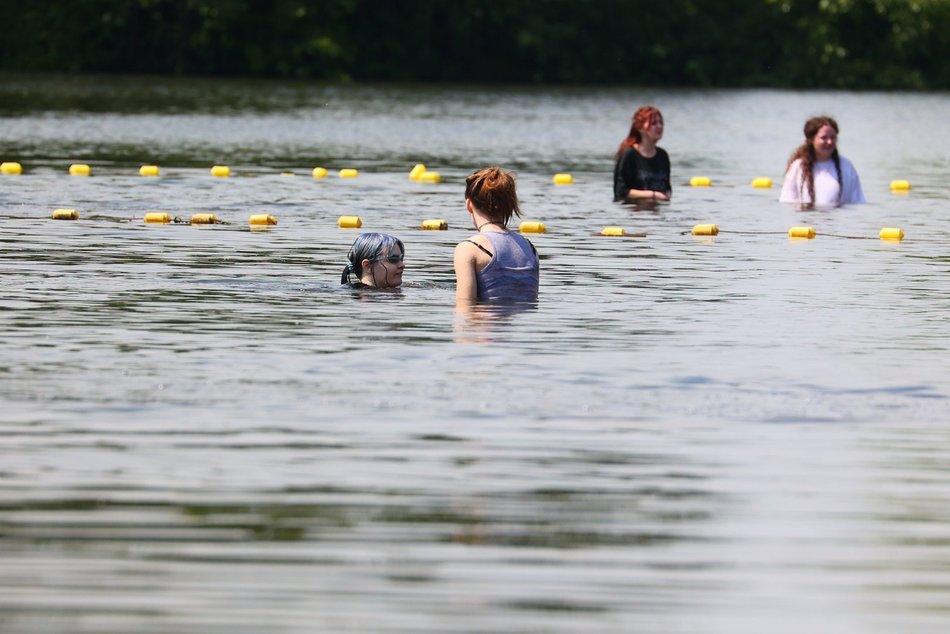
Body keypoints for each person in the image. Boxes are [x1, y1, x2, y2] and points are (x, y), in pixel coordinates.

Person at [454, 166, 539, 305]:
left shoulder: (469, 248)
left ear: (469, 205)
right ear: (510, 204)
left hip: (484, 325)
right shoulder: (530, 247)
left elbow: (464, 306)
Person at [780, 116, 866, 208]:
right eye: (824, 138)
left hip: (839, 221)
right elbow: (787, 203)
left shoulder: (846, 166)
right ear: (810, 141)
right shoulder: (797, 167)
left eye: (833, 137)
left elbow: (858, 203)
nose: (829, 142)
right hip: (806, 221)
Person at [613, 105, 672, 203]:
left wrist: (667, 195)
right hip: (633, 212)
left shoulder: (663, 155)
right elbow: (621, 191)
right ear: (640, 128)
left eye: (661, 122)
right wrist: (653, 195)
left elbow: (667, 188)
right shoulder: (630, 155)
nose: (659, 126)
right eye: (653, 123)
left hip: (657, 211)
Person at [340, 233, 405, 289]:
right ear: (368, 266)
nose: (402, 265)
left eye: (401, 259)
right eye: (393, 259)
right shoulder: (370, 300)